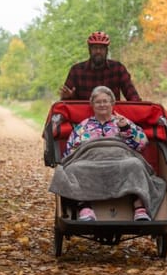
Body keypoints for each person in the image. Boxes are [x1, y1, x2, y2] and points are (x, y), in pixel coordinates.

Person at [58, 86, 152, 222]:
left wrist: (125, 128)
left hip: (119, 161)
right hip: (91, 163)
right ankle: (85, 208)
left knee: (135, 163)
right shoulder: (82, 126)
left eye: (105, 101)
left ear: (112, 103)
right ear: (92, 105)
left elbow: (142, 144)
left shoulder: (122, 122)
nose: (102, 104)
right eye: (98, 102)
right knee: (74, 168)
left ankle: (139, 209)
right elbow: (70, 152)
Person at [59, 31, 142, 102]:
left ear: (106, 50)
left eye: (101, 48)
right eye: (95, 48)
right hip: (83, 117)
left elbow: (132, 96)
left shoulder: (118, 68)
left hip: (112, 117)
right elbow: (66, 103)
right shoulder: (76, 70)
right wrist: (68, 97)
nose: (98, 51)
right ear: (89, 50)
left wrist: (140, 108)